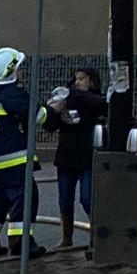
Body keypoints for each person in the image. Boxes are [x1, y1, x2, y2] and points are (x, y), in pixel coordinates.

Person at [0, 47, 48, 259]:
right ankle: (21, 243)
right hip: (15, 160)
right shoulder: (13, 95)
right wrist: (55, 108)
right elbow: (38, 115)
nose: (23, 73)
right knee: (25, 198)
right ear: (10, 73)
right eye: (19, 69)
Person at [43, 67, 108, 247]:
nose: (78, 82)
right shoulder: (66, 100)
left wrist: (72, 95)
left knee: (87, 198)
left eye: (82, 78)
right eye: (76, 78)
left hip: (88, 158)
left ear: (92, 81)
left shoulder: (94, 100)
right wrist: (56, 113)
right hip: (66, 157)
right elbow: (48, 125)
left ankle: (99, 235)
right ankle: (66, 238)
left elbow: (102, 106)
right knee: (65, 199)